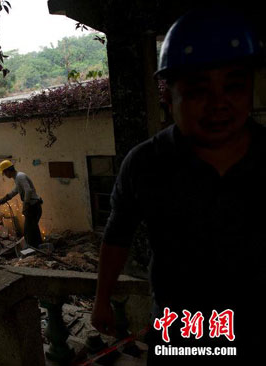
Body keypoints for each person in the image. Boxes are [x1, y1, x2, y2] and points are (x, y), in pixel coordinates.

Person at [91, 8, 265, 365]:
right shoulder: (144, 164)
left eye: (233, 85)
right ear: (168, 99)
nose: (219, 103)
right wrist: (101, 298)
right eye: (198, 90)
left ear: (250, 89)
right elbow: (117, 234)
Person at [0, 160, 44, 247]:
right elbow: (16, 190)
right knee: (31, 229)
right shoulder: (17, 178)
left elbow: (28, 191)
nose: (5, 175)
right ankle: (37, 247)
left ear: (8, 170)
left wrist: (25, 205)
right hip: (32, 206)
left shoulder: (20, 176)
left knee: (29, 230)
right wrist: (6, 198)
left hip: (33, 206)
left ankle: (35, 249)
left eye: (4, 173)